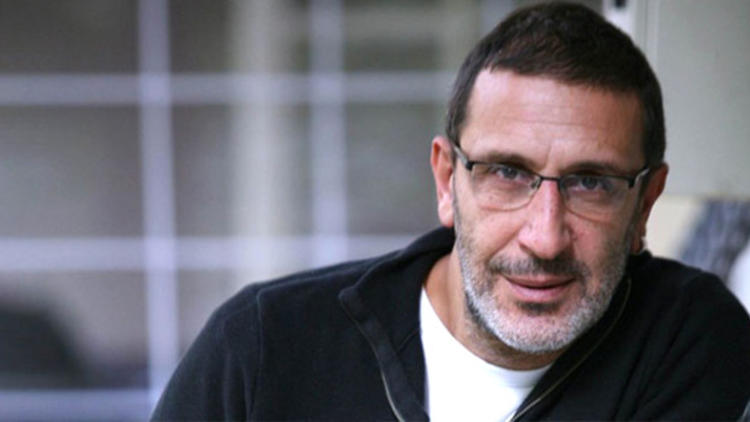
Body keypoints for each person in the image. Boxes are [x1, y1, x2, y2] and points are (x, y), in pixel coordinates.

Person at [152, 3, 750, 420]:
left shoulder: (689, 336)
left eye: (591, 183)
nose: (545, 237)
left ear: (645, 203)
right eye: (507, 173)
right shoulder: (263, 348)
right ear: (446, 180)